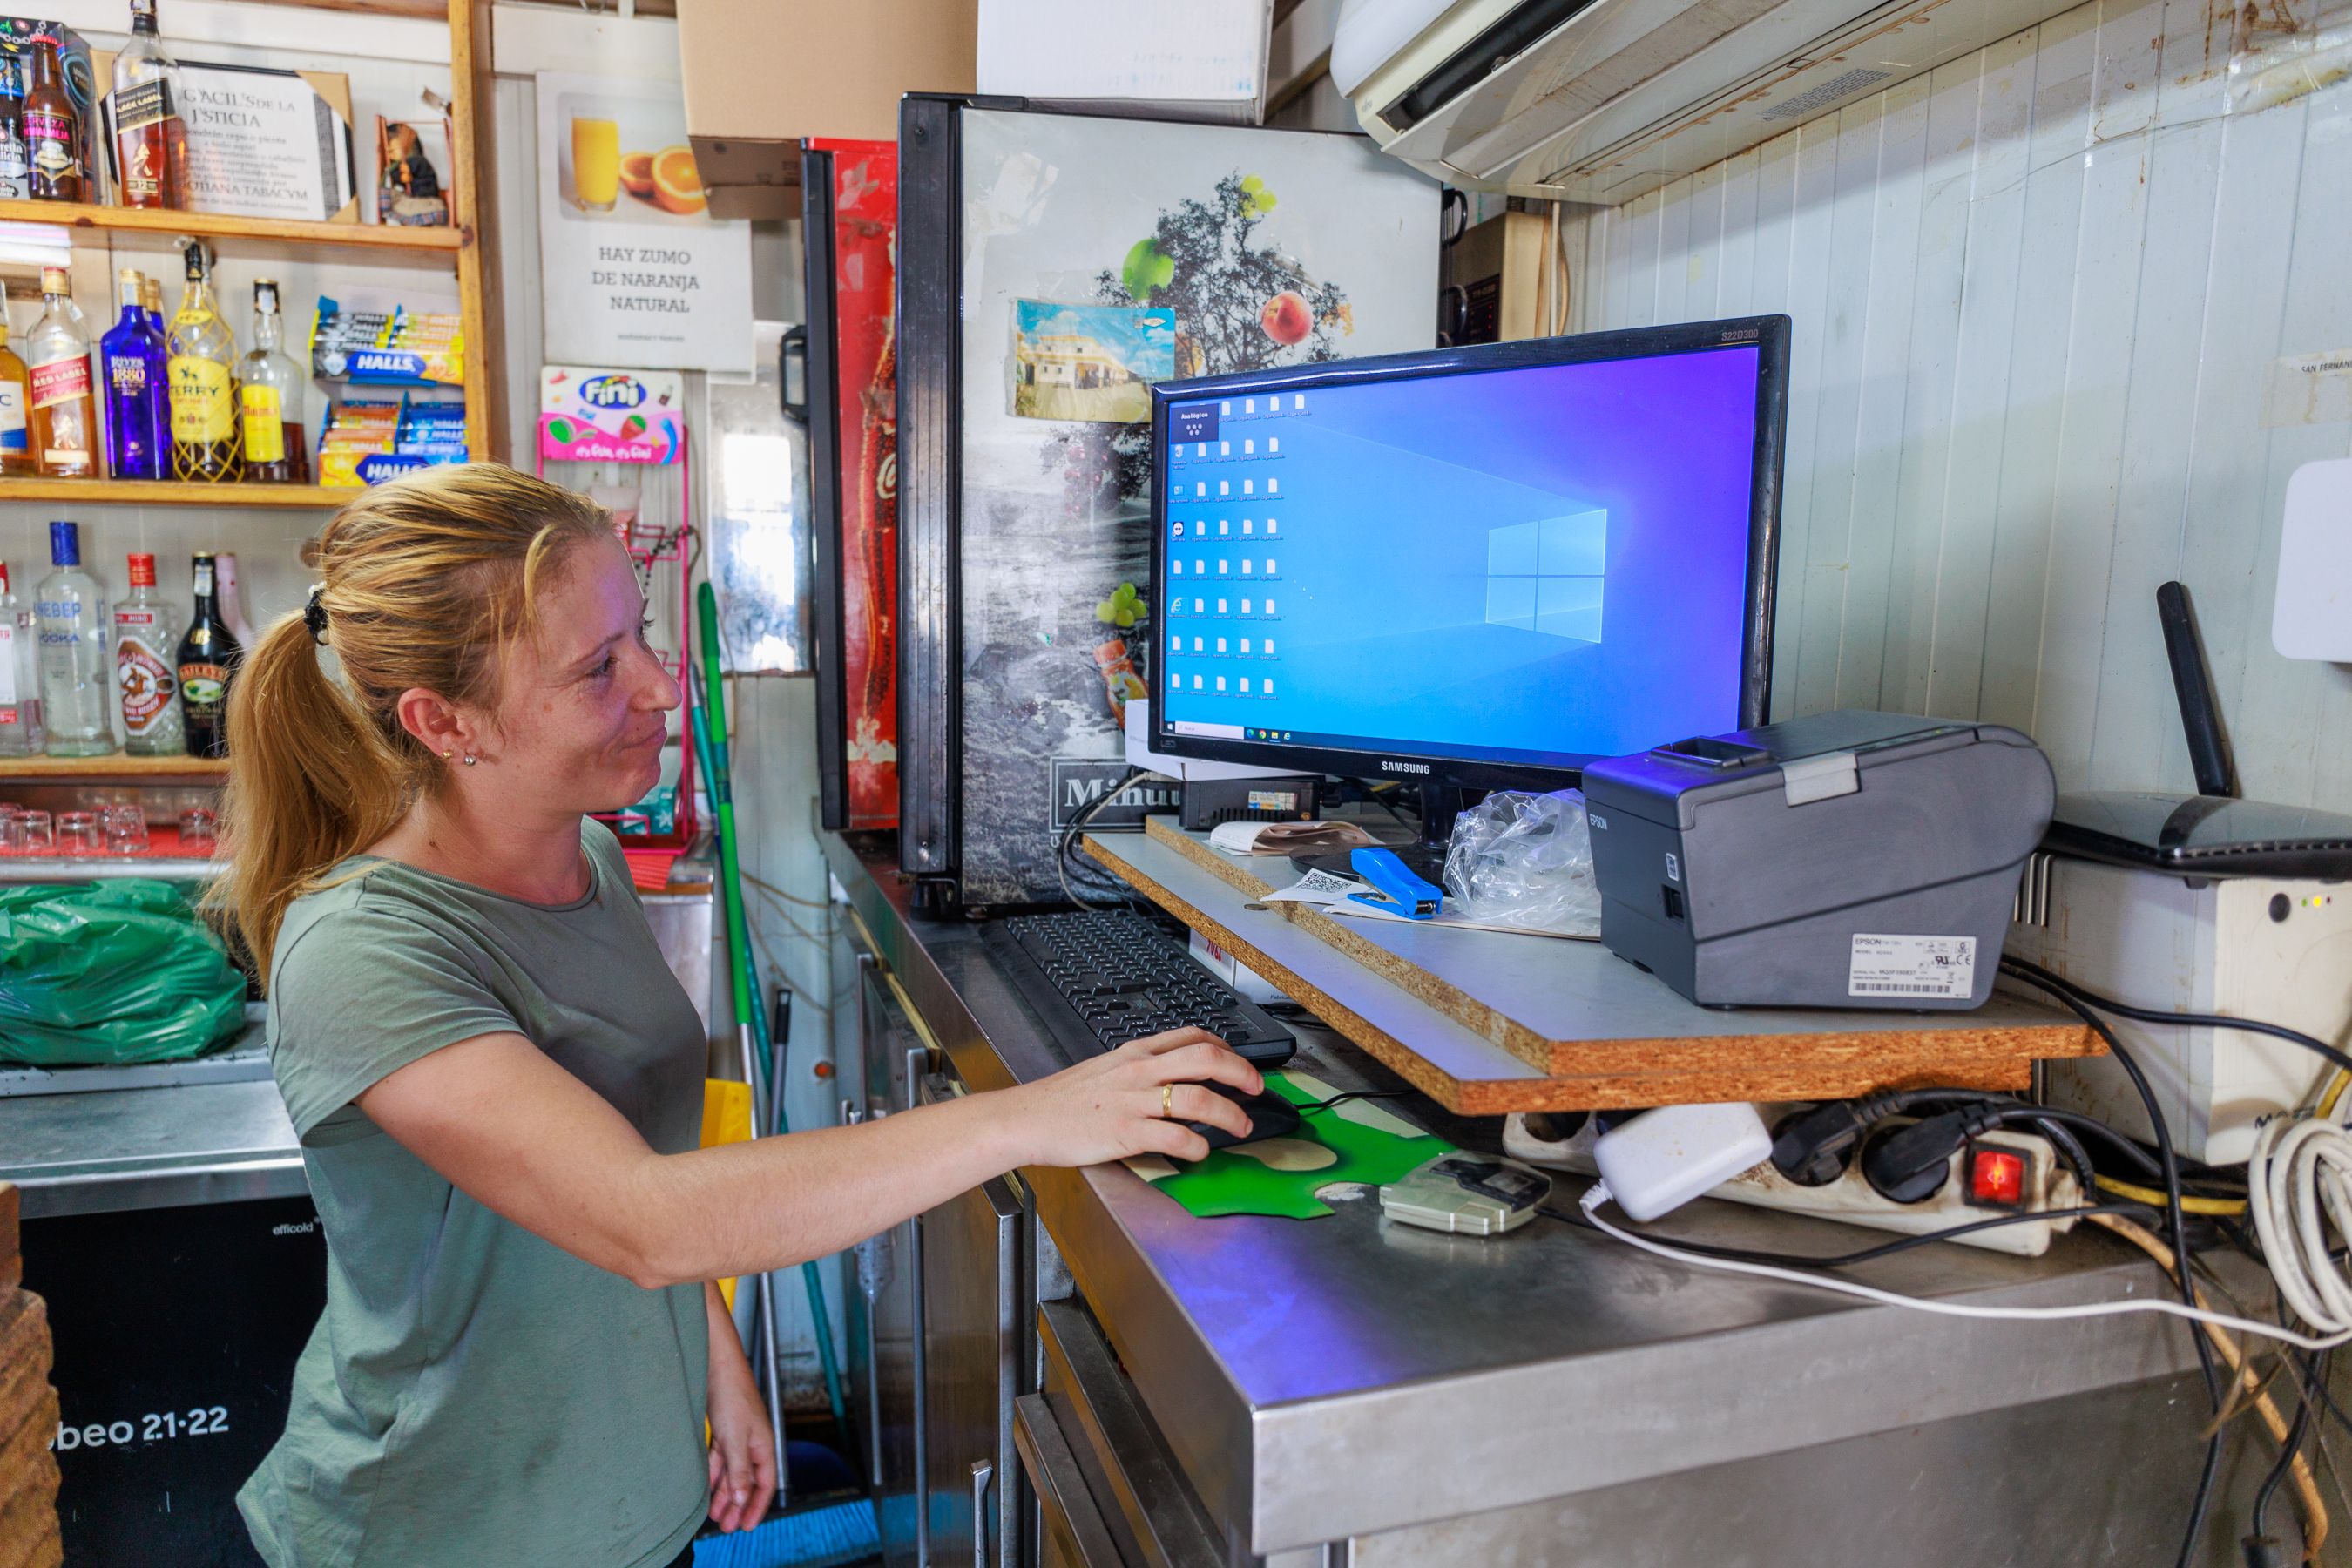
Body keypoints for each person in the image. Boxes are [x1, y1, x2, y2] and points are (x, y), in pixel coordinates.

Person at [216, 464, 1261, 1568]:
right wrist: (1031, 1115)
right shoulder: (365, 952)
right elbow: (646, 1218)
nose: (663, 687)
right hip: (451, 1525)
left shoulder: (594, 861)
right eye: (597, 668)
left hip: (630, 1496)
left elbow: (625, 1166)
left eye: (645, 635)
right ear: (443, 721)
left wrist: (713, 1362)